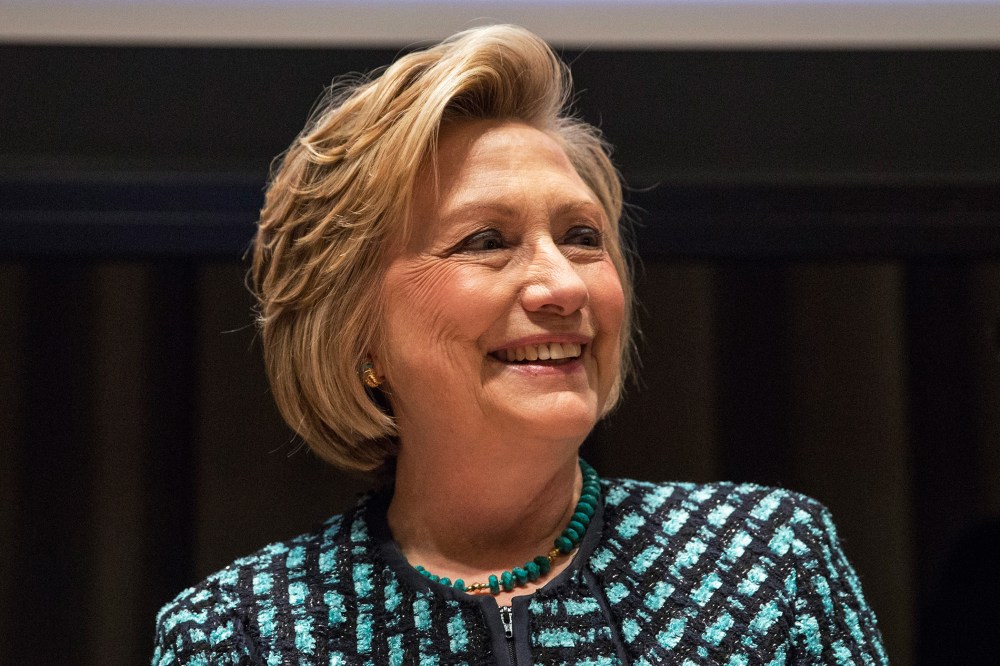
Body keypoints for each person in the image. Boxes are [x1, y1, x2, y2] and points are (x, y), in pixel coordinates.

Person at [152, 25, 888, 665]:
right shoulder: (239, 633)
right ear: (354, 330)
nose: (562, 285)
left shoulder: (766, 565)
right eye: (487, 241)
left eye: (581, 238)